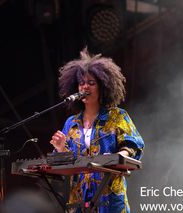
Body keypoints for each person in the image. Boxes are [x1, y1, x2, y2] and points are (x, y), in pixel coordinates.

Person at [50, 48, 144, 212]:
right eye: (81, 83)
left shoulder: (117, 116)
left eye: (91, 83)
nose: (85, 87)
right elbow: (66, 162)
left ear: (103, 87)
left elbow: (134, 144)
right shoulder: (71, 123)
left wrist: (118, 157)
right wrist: (60, 147)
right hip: (78, 201)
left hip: (109, 199)